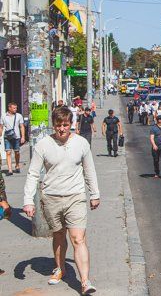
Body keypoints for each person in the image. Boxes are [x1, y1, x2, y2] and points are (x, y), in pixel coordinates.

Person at [23, 106, 100, 295]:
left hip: (75, 197)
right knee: (58, 235)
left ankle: (84, 281)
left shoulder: (81, 143)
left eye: (66, 125)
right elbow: (33, 173)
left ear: (71, 124)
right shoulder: (43, 145)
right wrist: (28, 200)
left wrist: (95, 193)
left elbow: (89, 170)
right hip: (51, 197)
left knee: (77, 238)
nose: (62, 129)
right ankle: (60, 268)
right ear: (53, 125)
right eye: (58, 125)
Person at [2, 102, 25, 174]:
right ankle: (10, 170)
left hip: (16, 137)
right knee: (8, 152)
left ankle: (17, 165)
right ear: (9, 108)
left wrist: (23, 137)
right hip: (7, 137)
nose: (15, 109)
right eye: (14, 108)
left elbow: (22, 127)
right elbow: (1, 127)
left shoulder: (19, 116)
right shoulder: (3, 116)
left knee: (17, 152)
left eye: (16, 108)